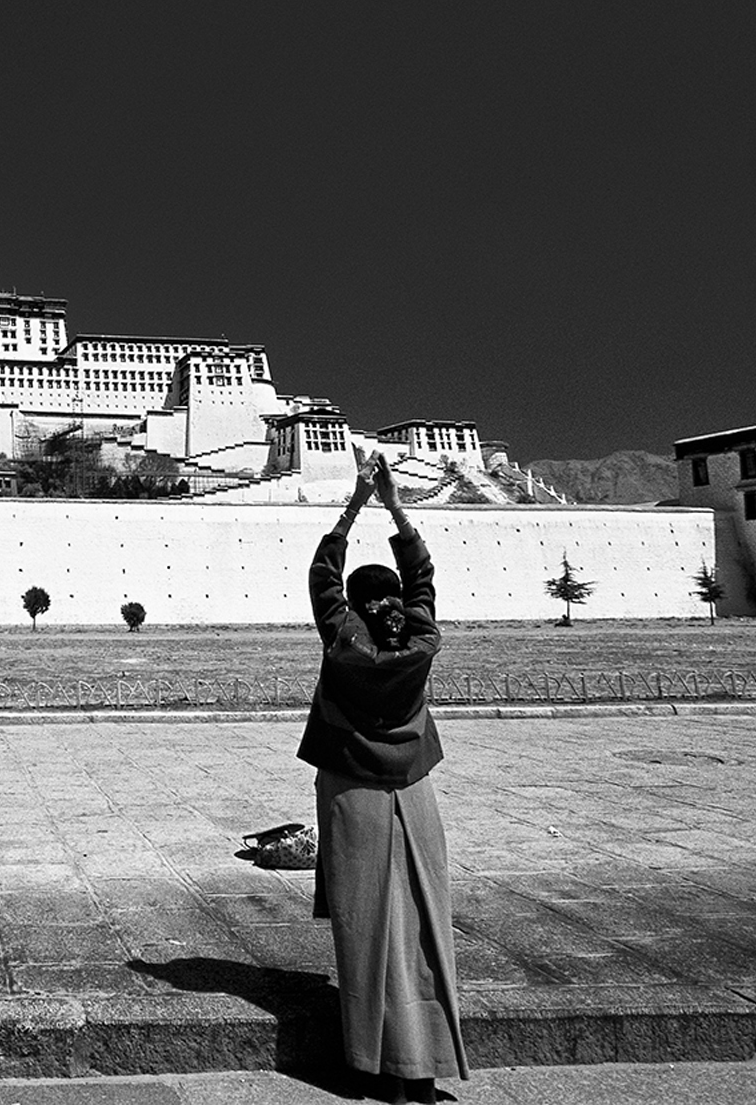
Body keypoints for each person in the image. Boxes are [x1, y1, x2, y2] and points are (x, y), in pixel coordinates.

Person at [297, 450, 469, 1104]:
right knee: (425, 922)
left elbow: (322, 573)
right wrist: (395, 503)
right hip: (415, 794)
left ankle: (376, 1063)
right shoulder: (420, 638)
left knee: (368, 927)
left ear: (355, 607)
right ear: (396, 604)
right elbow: (420, 574)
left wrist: (353, 503)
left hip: (353, 795)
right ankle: (421, 1065)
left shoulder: (345, 639)